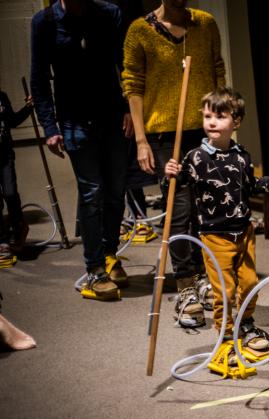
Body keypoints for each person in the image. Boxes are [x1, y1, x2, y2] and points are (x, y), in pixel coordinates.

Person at [164, 87, 269, 353]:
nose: (212, 121)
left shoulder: (241, 156)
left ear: (236, 122)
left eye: (220, 116)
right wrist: (170, 175)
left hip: (243, 233)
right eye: (208, 115)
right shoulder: (195, 158)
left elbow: (253, 186)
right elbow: (173, 189)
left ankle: (245, 324)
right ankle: (225, 336)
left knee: (249, 284)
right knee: (223, 290)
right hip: (215, 236)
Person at [123, 0, 226, 326]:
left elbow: (217, 70)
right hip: (166, 134)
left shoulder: (205, 24)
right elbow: (133, 85)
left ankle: (206, 277)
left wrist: (222, 123)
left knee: (208, 206)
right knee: (180, 209)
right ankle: (185, 283)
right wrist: (141, 140)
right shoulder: (140, 31)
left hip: (207, 129)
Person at [30, 0, 133, 300]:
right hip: (75, 120)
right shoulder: (45, 22)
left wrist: (129, 108)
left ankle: (110, 254)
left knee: (116, 190)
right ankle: (95, 269)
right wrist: (50, 127)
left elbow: (124, 65)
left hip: (113, 116)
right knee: (92, 193)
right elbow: (39, 79)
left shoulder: (109, 13)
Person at [0, 89, 34, 265]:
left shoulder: (2, 96)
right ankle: (2, 240)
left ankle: (18, 228)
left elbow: (12, 121)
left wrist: (29, 108)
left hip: (4, 155)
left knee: (11, 193)